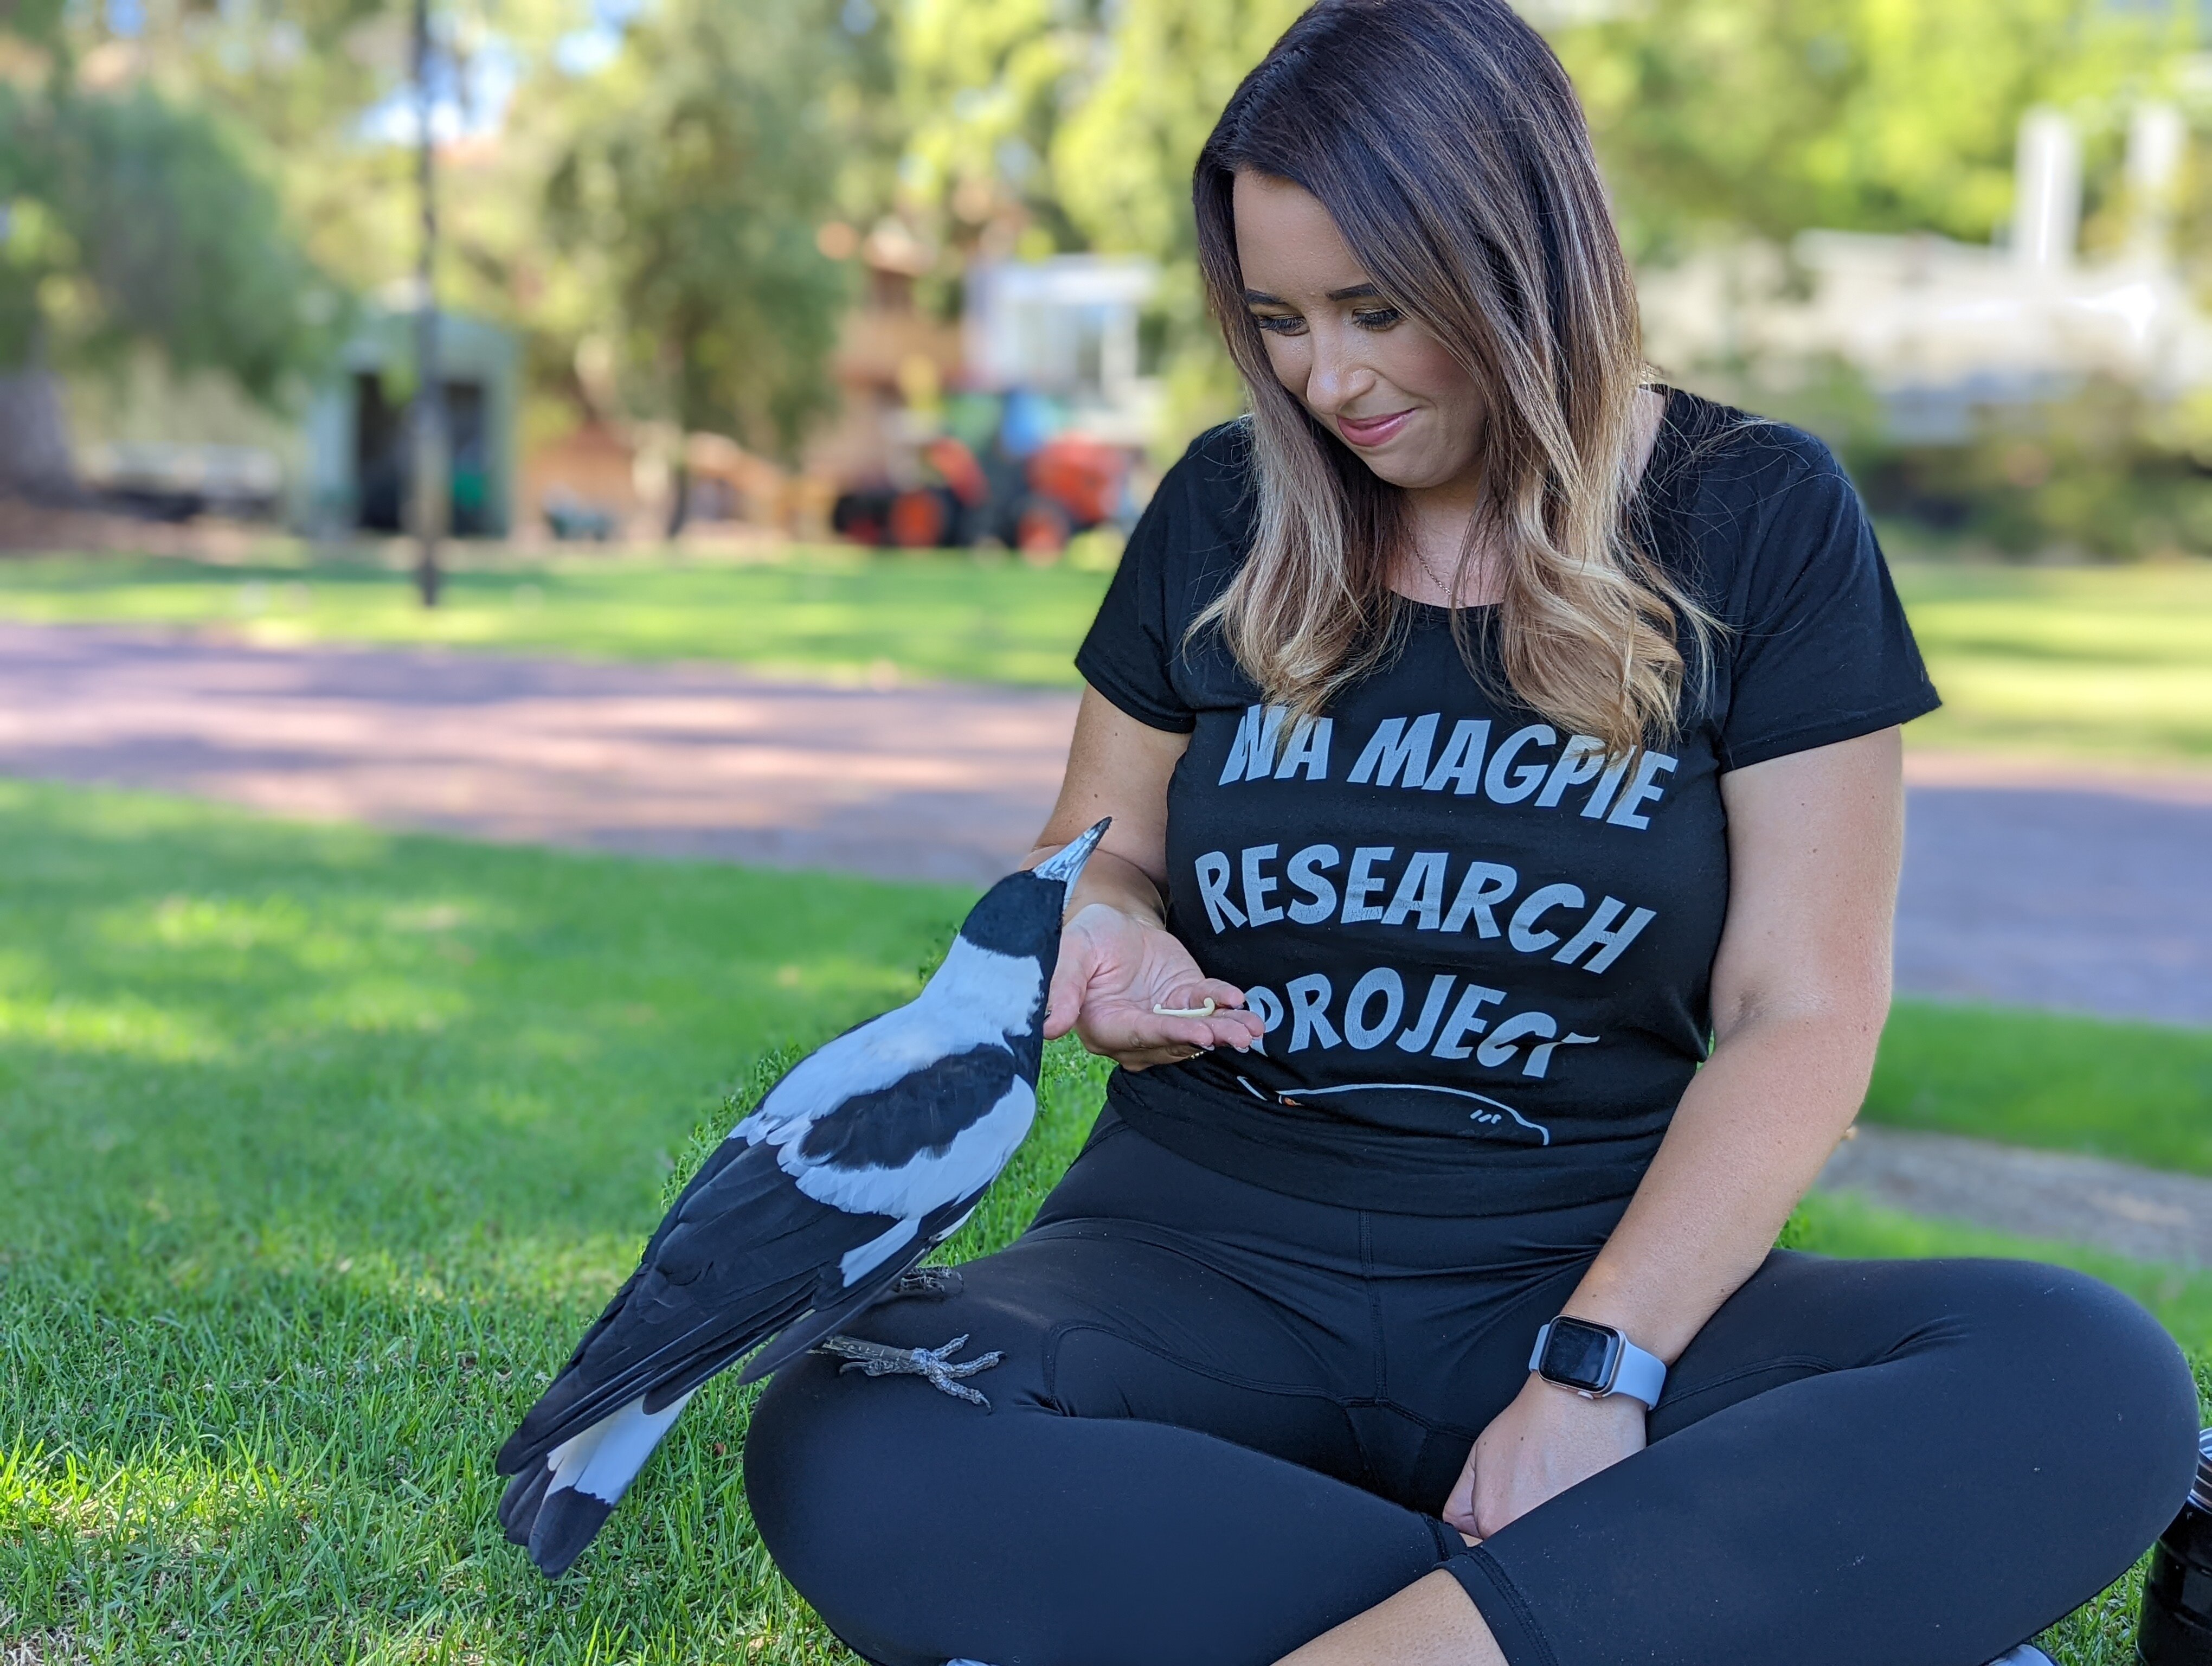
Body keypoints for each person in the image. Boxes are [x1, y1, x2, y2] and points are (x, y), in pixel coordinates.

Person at [745, 2, 2200, 1662]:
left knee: (2077, 1375)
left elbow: (1806, 1013)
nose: (1326, 376)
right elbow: (1086, 864)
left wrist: (1599, 1377)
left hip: (1587, 1267)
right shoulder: (1224, 509)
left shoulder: (1758, 517)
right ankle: (1666, 1608)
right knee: (857, 1421)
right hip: (1195, 1258)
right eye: (1280, 318)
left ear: (1526, 263)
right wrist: (1113, 936)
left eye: (1378, 308)